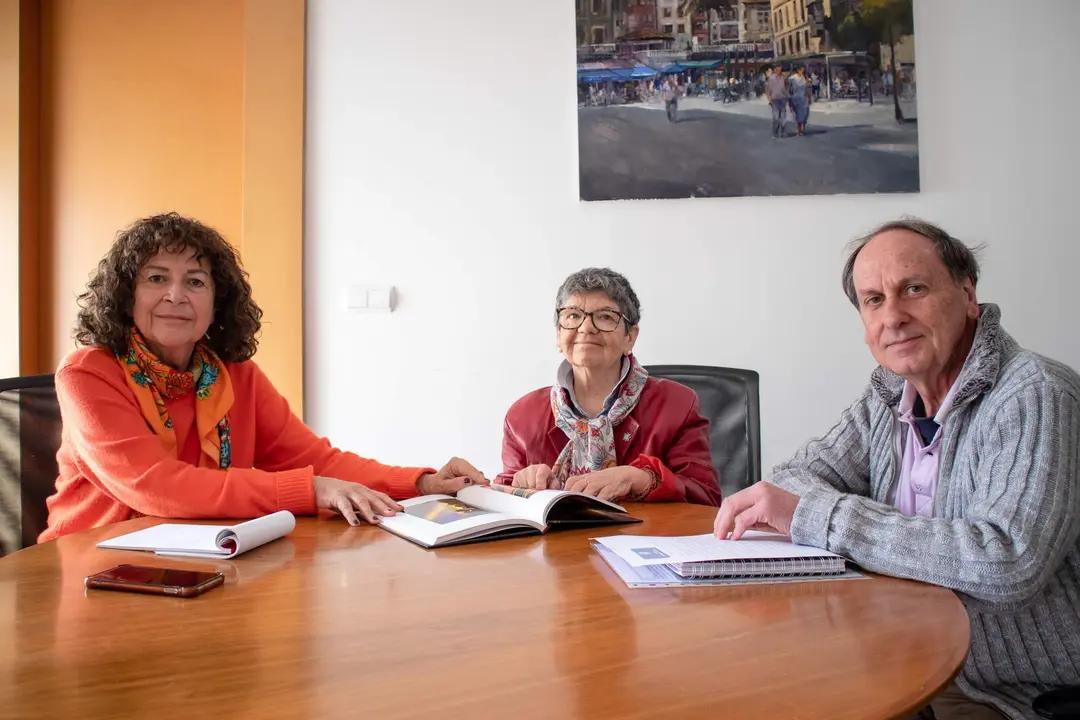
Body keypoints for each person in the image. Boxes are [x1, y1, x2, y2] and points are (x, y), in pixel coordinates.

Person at [713, 219, 1080, 720]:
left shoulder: (1036, 394)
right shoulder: (887, 394)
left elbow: (1007, 561)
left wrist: (825, 518)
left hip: (1015, 690)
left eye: (914, 289)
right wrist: (807, 508)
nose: (894, 317)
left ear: (968, 293)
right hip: (910, 653)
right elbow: (792, 477)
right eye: (874, 300)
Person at [40, 213, 488, 542]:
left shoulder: (237, 375)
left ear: (218, 301)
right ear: (126, 294)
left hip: (209, 553)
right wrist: (309, 491)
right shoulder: (89, 373)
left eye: (195, 281)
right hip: (92, 565)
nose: (175, 295)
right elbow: (155, 486)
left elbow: (317, 461)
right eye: (157, 278)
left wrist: (422, 482)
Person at [496, 268, 721, 506]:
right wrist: (519, 484)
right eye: (572, 316)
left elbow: (705, 498)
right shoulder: (522, 416)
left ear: (630, 337)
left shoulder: (677, 404)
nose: (586, 327)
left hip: (643, 540)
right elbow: (502, 504)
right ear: (558, 335)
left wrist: (644, 479)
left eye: (605, 316)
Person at [788, 66, 812, 136]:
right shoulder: (792, 79)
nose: (803, 71)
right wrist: (789, 101)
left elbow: (808, 88)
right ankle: (799, 130)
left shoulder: (806, 78)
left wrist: (810, 97)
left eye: (803, 70)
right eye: (801, 70)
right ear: (798, 70)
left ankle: (803, 128)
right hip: (796, 99)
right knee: (798, 115)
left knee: (805, 114)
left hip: (805, 99)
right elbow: (789, 90)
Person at [765, 65, 788, 139]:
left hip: (782, 99)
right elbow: (767, 89)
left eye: (780, 70)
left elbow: (784, 88)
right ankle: (775, 133)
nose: (779, 71)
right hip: (774, 100)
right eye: (778, 70)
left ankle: (783, 132)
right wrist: (769, 98)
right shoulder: (771, 78)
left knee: (783, 118)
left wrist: (787, 96)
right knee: (776, 118)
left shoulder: (783, 78)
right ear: (775, 70)